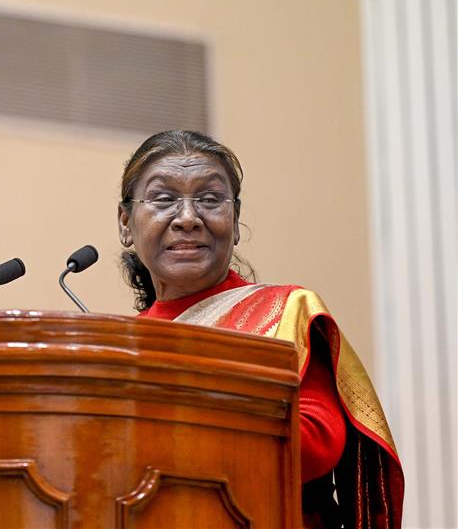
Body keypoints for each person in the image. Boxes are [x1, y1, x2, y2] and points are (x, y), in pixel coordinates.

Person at [117, 130, 404, 528]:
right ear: (126, 223)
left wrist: (178, 416)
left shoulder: (285, 312)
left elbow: (318, 444)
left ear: (234, 222)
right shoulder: (115, 346)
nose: (187, 218)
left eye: (210, 199)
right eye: (164, 199)